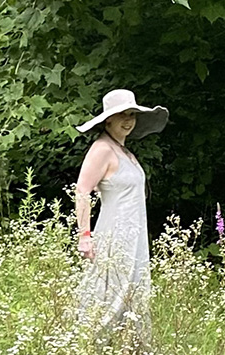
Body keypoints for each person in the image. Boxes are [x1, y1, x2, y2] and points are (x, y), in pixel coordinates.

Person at [74, 89, 168, 339]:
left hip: (134, 235)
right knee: (109, 292)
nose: (128, 120)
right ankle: (88, 349)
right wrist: (85, 234)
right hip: (114, 233)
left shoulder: (125, 152)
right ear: (108, 120)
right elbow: (82, 190)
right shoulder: (102, 149)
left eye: (132, 115)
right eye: (121, 115)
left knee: (133, 289)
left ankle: (131, 352)